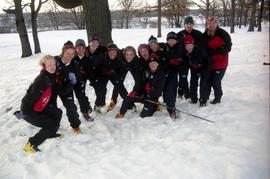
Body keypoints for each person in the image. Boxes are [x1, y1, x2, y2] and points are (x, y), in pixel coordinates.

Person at [19, 55, 63, 153]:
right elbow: (31, 96)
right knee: (50, 124)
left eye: (54, 64)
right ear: (43, 66)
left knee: (58, 112)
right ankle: (30, 144)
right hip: (29, 111)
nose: (53, 67)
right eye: (49, 65)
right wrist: (23, 112)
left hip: (39, 107)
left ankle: (50, 133)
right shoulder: (42, 80)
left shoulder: (50, 76)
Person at [203, 16, 232, 104]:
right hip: (210, 63)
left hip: (220, 63)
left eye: (213, 23)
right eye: (210, 23)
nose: (211, 25)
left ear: (216, 23)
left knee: (215, 81)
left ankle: (218, 97)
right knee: (208, 80)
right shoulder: (205, 34)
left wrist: (215, 51)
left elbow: (228, 47)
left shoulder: (223, 33)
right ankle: (206, 96)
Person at [55, 41, 81, 134]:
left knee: (71, 108)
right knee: (51, 108)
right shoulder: (55, 60)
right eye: (68, 53)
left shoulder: (74, 64)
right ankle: (52, 125)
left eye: (72, 54)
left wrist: (73, 81)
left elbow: (76, 78)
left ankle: (75, 126)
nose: (70, 56)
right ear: (63, 52)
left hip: (66, 88)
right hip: (53, 87)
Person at [110, 46, 142, 111]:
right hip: (123, 67)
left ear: (134, 55)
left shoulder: (136, 61)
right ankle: (113, 100)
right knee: (118, 82)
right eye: (127, 54)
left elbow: (138, 79)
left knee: (138, 82)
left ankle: (131, 100)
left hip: (132, 66)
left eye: (131, 54)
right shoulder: (120, 58)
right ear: (124, 54)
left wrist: (135, 91)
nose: (129, 56)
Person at [183, 35, 211, 106]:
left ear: (193, 44)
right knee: (193, 83)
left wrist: (203, 71)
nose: (188, 48)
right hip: (195, 68)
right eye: (186, 46)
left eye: (190, 45)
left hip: (205, 67)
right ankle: (193, 98)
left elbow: (207, 61)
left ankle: (203, 100)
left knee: (203, 83)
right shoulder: (186, 53)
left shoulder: (200, 51)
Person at [164, 31, 187, 119]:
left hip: (176, 70)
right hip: (166, 69)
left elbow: (184, 59)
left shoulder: (181, 47)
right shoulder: (164, 46)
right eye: (169, 40)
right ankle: (167, 100)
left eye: (173, 40)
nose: (171, 42)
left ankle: (171, 108)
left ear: (176, 40)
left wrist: (179, 61)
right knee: (165, 87)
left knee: (172, 86)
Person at [83, 34, 108, 114]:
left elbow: (112, 49)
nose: (95, 44)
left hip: (98, 74)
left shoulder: (101, 50)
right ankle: (99, 105)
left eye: (97, 42)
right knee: (99, 90)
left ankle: (98, 105)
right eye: (93, 42)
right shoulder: (85, 50)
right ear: (89, 42)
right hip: (87, 74)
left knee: (103, 89)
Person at [103, 43, 129, 112]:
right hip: (109, 70)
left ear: (117, 52)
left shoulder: (120, 58)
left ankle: (129, 102)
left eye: (114, 52)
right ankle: (112, 100)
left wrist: (118, 77)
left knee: (119, 84)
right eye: (110, 52)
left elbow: (122, 70)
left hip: (121, 69)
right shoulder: (103, 57)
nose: (112, 53)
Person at [73, 39, 94, 121]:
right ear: (75, 49)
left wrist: (91, 79)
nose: (81, 50)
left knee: (81, 95)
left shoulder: (87, 59)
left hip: (82, 80)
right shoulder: (73, 58)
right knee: (80, 96)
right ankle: (86, 108)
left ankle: (85, 110)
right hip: (72, 81)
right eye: (79, 48)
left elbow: (89, 71)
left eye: (83, 48)